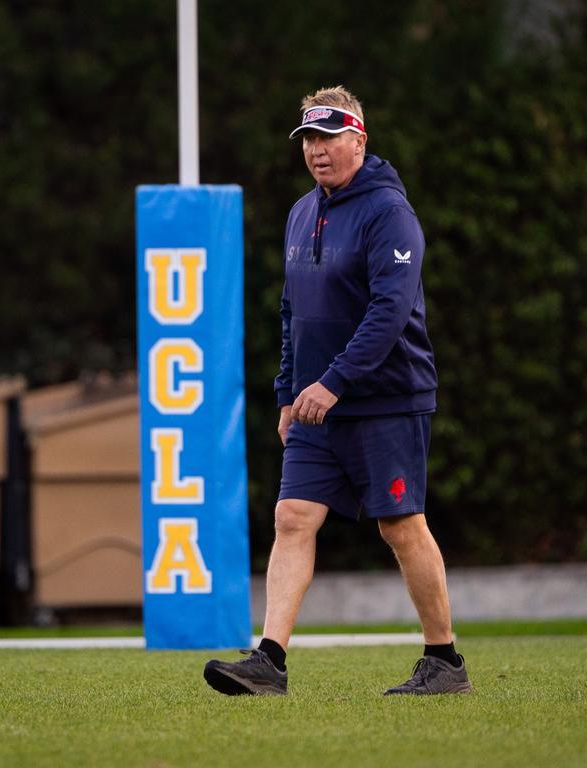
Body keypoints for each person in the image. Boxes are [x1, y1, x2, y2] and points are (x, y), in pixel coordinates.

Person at [204, 86, 471, 696]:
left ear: (359, 138)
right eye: (309, 141)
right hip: (314, 403)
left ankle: (445, 661)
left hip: (386, 397)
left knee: (401, 525)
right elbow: (292, 309)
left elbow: (390, 310)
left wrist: (333, 382)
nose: (318, 152)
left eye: (329, 138)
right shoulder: (302, 211)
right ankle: (269, 661)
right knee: (292, 517)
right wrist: (287, 391)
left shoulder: (389, 212)